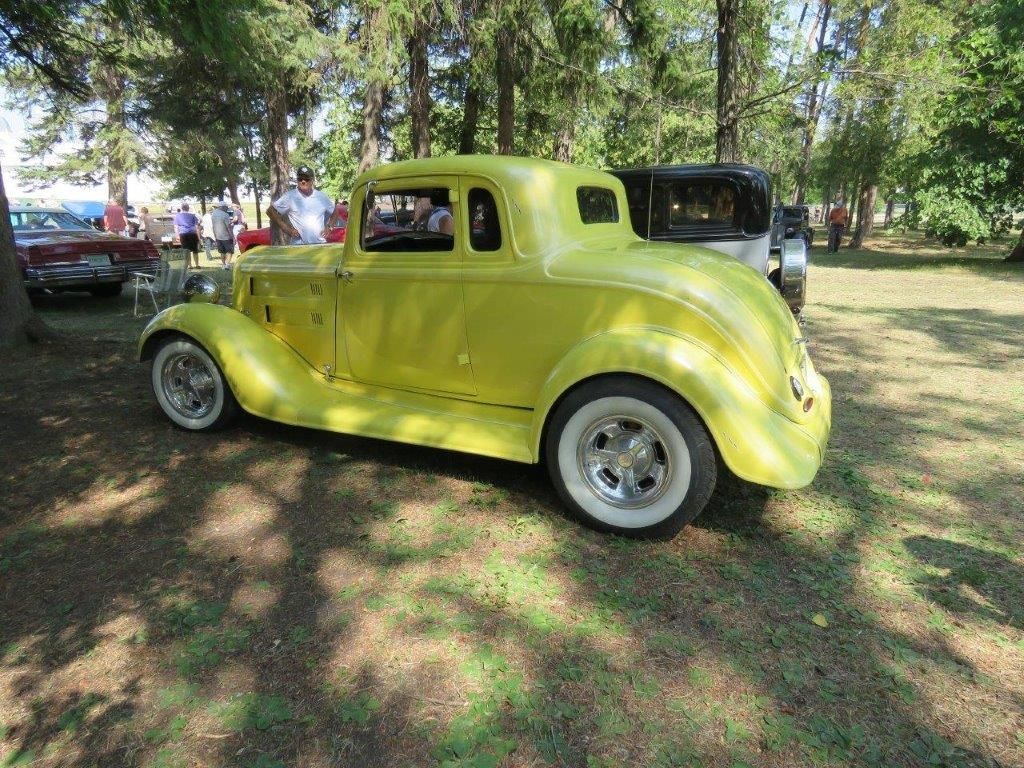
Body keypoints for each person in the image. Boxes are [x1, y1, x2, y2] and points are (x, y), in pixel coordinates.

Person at [266, 165, 338, 245]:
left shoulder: (321, 196)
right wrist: (285, 228)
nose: (303, 181)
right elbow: (270, 211)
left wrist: (329, 227)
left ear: (312, 180)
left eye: (307, 179)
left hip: (320, 244)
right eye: (300, 179)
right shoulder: (290, 196)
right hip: (298, 246)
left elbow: (335, 211)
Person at [174, 203, 202, 269]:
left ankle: (190, 265)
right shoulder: (193, 215)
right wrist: (199, 237)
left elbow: (176, 227)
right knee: (195, 250)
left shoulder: (177, 216)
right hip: (192, 234)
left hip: (183, 234)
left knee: (187, 250)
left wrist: (177, 236)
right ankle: (197, 264)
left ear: (181, 208)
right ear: (188, 208)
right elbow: (196, 227)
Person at [211, 201, 235, 269]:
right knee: (229, 251)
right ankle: (227, 264)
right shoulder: (225, 215)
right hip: (226, 236)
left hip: (218, 236)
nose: (227, 208)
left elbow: (213, 226)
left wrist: (215, 235)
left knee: (222, 252)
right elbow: (228, 227)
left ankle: (223, 264)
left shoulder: (214, 214)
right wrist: (232, 236)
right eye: (226, 207)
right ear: (223, 207)